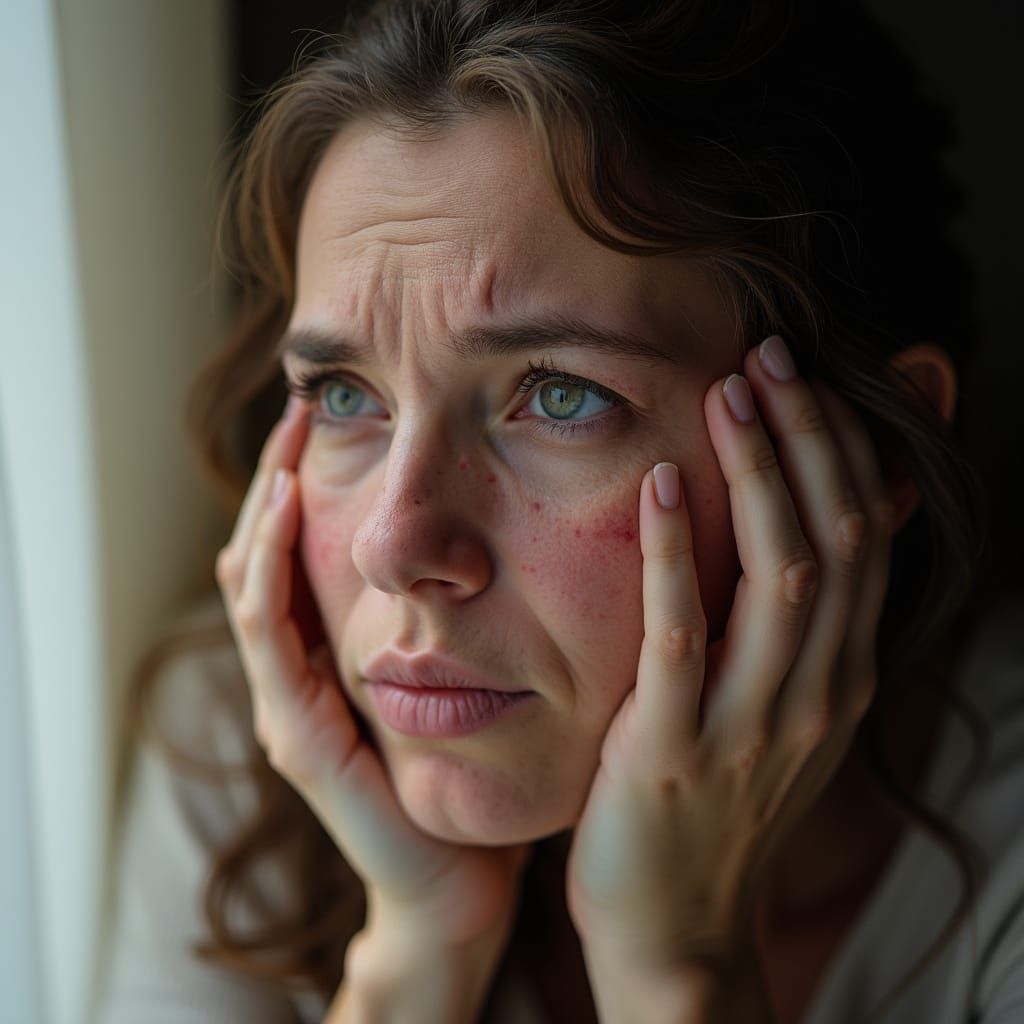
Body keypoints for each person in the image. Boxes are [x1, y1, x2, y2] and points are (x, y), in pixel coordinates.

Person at [98, 1, 1024, 1022]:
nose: (392, 547)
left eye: (560, 395)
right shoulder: (241, 746)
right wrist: (415, 952)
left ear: (874, 455)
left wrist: (680, 972)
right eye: (346, 395)